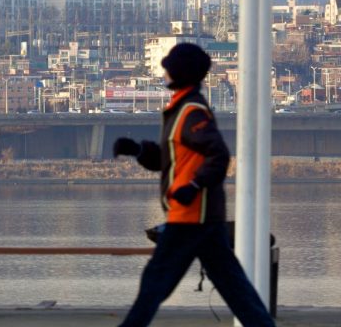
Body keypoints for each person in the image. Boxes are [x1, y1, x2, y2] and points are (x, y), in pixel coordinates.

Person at [113, 43, 275, 327]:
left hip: (190, 217)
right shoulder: (181, 109)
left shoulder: (190, 112)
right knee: (236, 290)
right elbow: (174, 159)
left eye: (168, 67)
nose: (164, 72)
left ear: (179, 72)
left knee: (153, 285)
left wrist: (193, 186)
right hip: (200, 219)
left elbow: (219, 154)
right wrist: (138, 150)